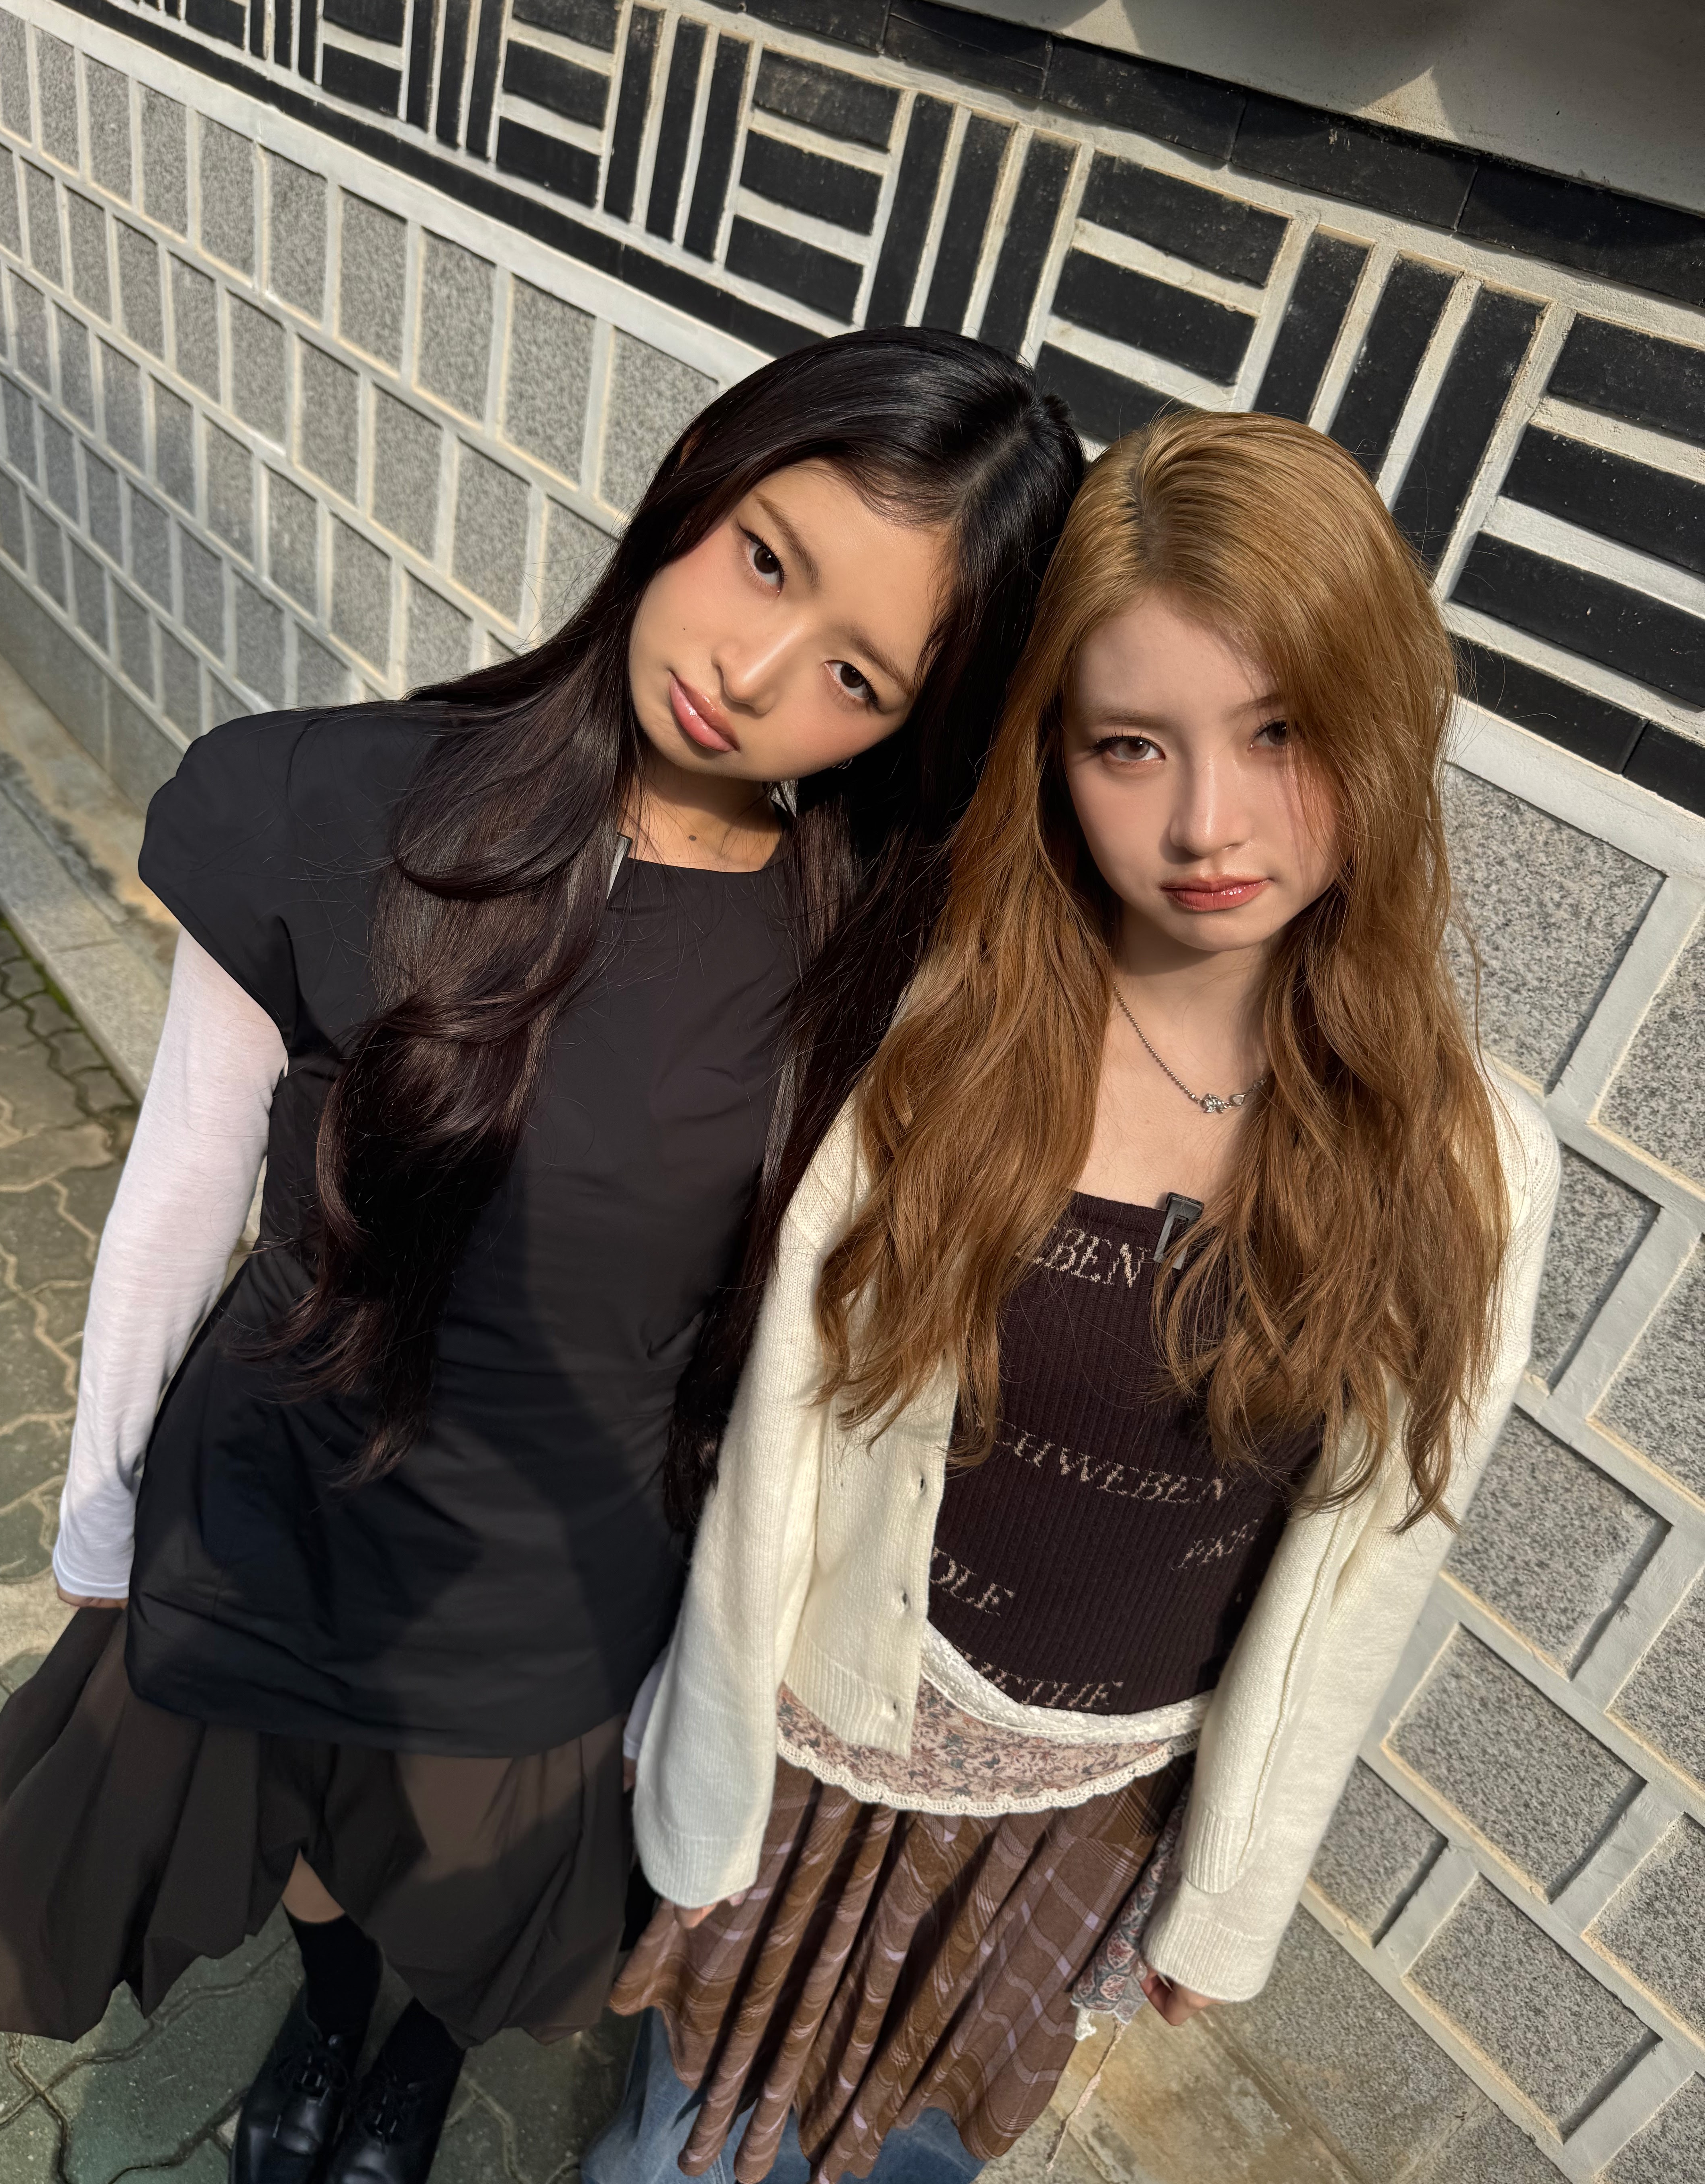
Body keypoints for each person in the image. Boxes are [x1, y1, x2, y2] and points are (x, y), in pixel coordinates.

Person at [0, 329, 1082, 2184]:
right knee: (310, 1834)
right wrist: (97, 1525)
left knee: (469, 1886)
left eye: (857, 674)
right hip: (282, 1498)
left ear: (911, 727)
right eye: (765, 559)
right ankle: (326, 2026)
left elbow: (777, 1368)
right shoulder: (331, 802)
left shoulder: (858, 978)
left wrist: (691, 1688)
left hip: (561, 1580)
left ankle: (413, 2048)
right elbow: (179, 1185)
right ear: (699, 488)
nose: (752, 673)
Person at [591, 410, 1561, 2184]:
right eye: (1131, 746)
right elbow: (777, 1462)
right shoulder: (938, 1050)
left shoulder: (1471, 1159)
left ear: (1381, 722)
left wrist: (1231, 1890)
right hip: (825, 1754)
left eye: (1280, 732)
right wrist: (705, 1776)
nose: (1208, 823)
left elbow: (1364, 1567)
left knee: (921, 2159)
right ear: (1054, 757)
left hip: (1088, 1810)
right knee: (677, 2155)